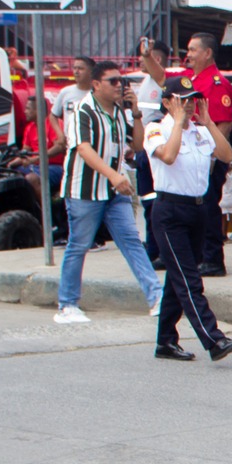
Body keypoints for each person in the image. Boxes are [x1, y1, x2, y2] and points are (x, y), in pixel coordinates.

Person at [56, 63, 163, 325]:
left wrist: (136, 113)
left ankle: (156, 297)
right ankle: (67, 304)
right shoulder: (83, 110)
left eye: (121, 81)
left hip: (114, 190)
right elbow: (84, 149)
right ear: (96, 85)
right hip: (85, 190)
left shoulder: (117, 111)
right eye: (113, 81)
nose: (119, 85)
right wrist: (114, 176)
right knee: (79, 245)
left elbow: (137, 145)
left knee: (131, 241)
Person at [148, 78, 232, 363]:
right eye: (182, 100)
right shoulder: (157, 129)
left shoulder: (200, 132)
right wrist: (178, 123)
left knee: (178, 277)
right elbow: (168, 156)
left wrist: (209, 122)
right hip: (170, 211)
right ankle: (213, 339)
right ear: (167, 102)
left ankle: (165, 341)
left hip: (198, 209)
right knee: (189, 279)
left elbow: (228, 155)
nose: (189, 105)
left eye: (192, 99)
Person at [181, 32, 232, 276]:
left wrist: (212, 157)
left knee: (208, 208)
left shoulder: (216, 83)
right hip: (195, 158)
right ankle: (201, 255)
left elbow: (223, 124)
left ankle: (213, 259)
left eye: (193, 50)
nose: (189, 55)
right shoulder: (192, 79)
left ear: (207, 53)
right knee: (197, 207)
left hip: (209, 159)